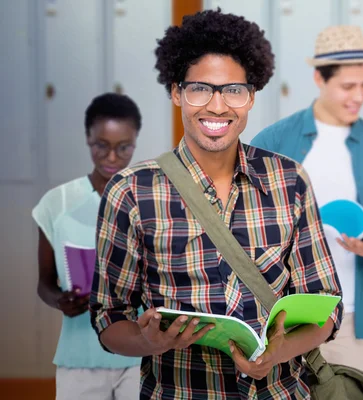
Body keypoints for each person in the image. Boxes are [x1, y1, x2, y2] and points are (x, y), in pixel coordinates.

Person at [89, 9, 343, 400]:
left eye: (233, 90)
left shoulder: (289, 181)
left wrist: (276, 354)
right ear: (176, 92)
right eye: (200, 89)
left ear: (251, 96)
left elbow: (326, 310)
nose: (218, 106)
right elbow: (109, 318)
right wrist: (151, 342)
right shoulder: (130, 192)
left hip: (279, 392)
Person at [251, 25, 363, 372]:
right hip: (280, 314)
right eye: (348, 86)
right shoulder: (273, 141)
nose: (359, 96)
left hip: (350, 316)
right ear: (319, 79)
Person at [33, 93, 142, 400]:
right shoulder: (58, 202)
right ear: (88, 139)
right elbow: (44, 282)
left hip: (139, 354)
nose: (111, 157)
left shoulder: (147, 199)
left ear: (135, 141)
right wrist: (60, 301)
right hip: (79, 356)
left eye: (123, 147)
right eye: (101, 146)